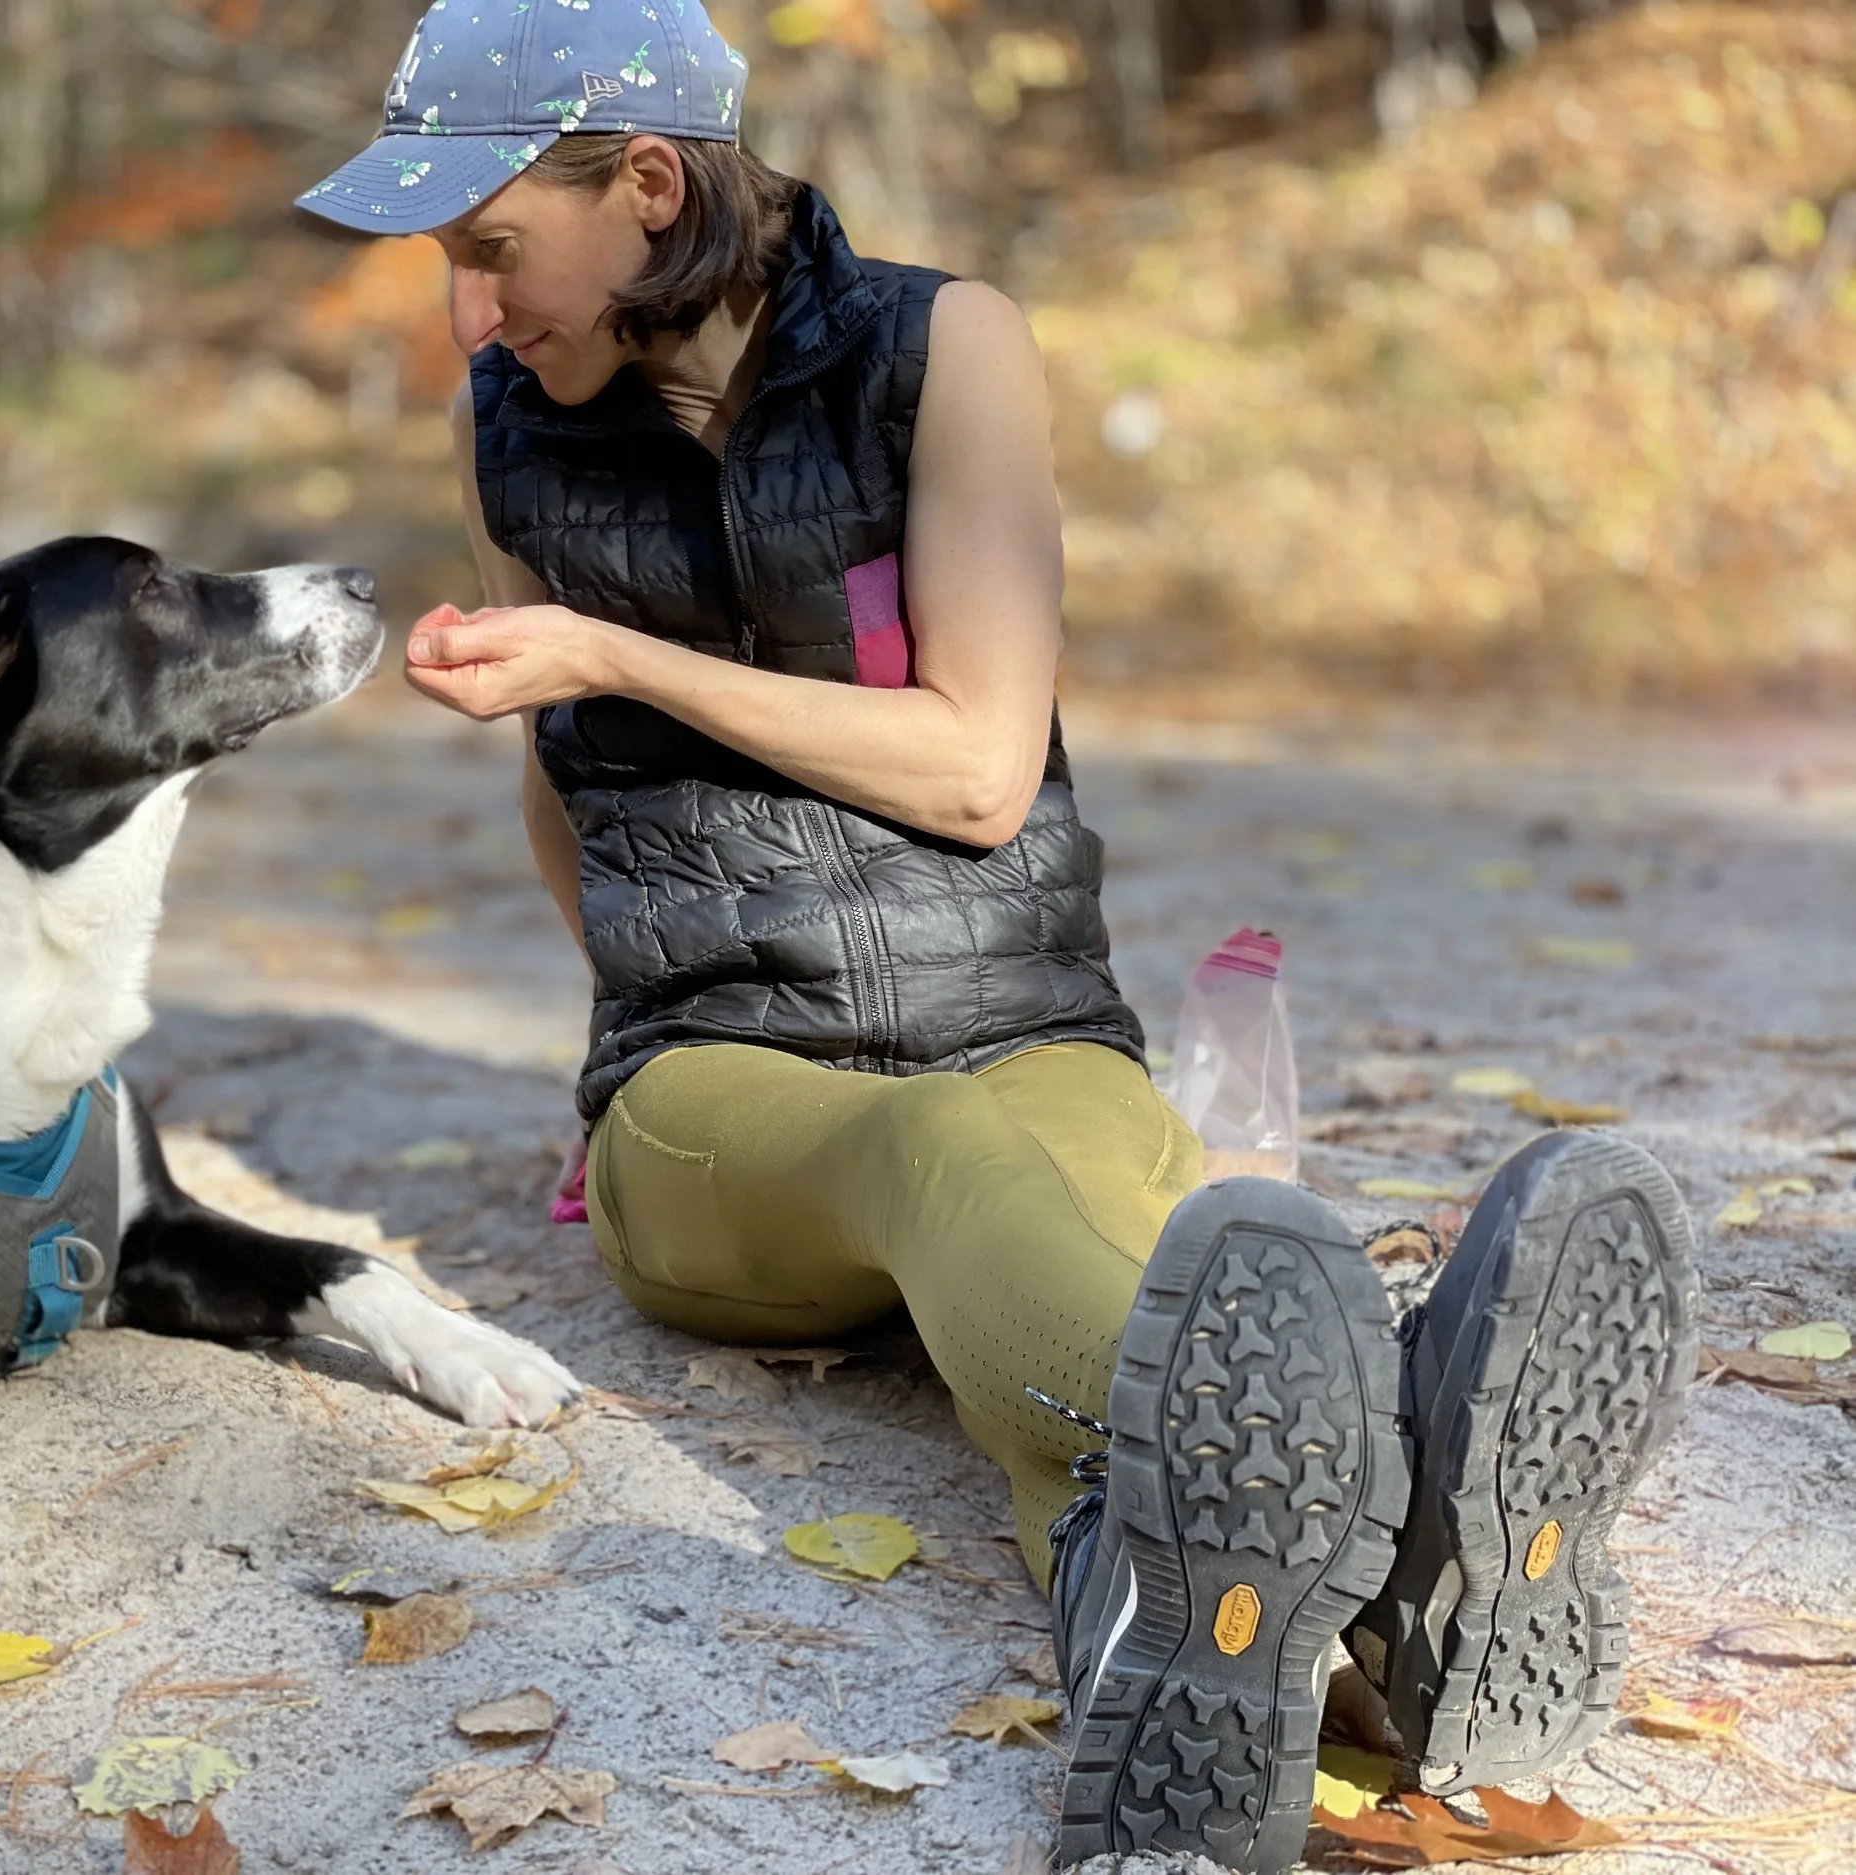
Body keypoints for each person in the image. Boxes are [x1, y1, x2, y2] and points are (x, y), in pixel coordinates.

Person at [296, 7, 1700, 1866]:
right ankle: (1417, 1484)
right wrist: (614, 1032)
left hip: (1032, 1023)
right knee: (957, 1157)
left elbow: (977, 767)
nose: (468, 314)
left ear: (645, 189)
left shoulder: (941, 350)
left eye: (487, 248)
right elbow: (564, 781)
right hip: (723, 1099)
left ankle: (1308, 1646)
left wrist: (613, 654)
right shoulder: (517, 436)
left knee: (1172, 1247)